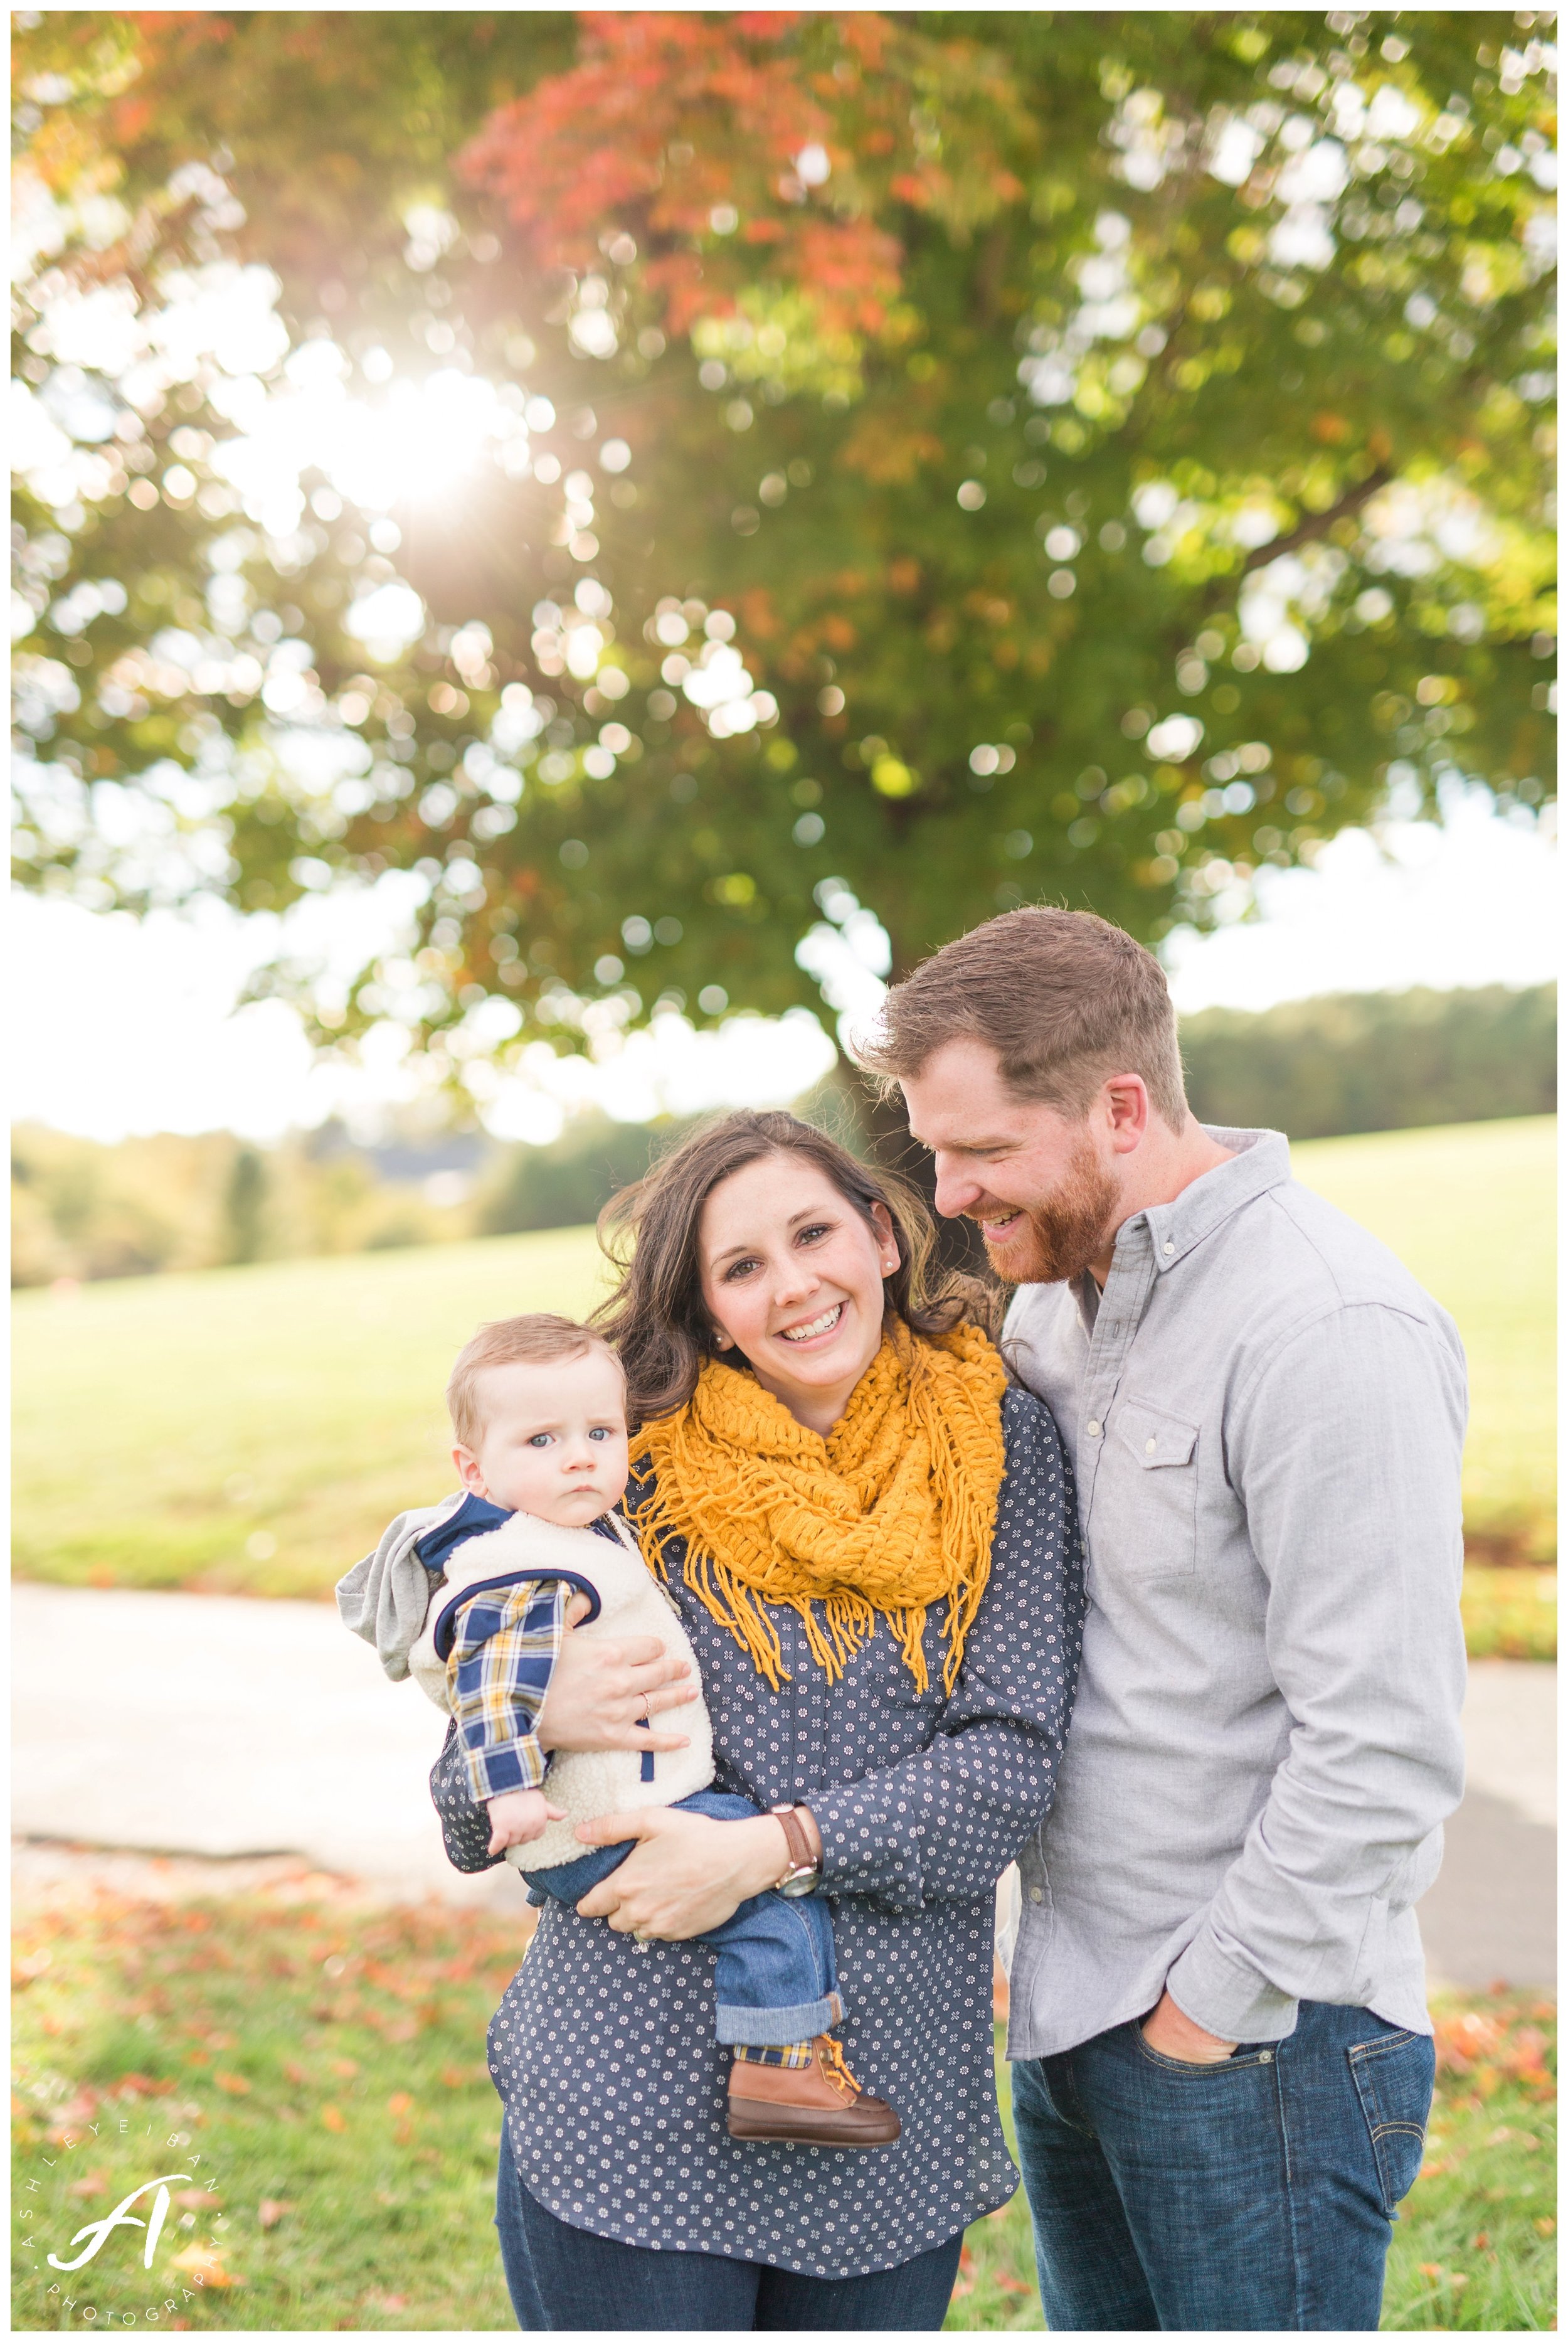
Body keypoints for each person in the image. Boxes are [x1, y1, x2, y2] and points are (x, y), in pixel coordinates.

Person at [864, 903, 1469, 2334]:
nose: (945, 1193)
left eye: (981, 1150)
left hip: (1255, 2044)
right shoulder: (1051, 1312)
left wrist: (1206, 2013)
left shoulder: (1325, 1325)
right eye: (933, 1149)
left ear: (1119, 1107)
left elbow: (1379, 1742)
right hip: (1073, 2017)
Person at [428, 1110, 1085, 2331]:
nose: (791, 1285)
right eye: (740, 1266)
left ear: (881, 1234)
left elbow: (1009, 1762)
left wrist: (770, 1845)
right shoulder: (621, 1476)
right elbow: (469, 1804)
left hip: (884, 2098)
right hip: (626, 2095)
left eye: (812, 1233)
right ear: (708, 1306)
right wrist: (534, 1710)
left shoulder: (1001, 1442)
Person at [336, 1310, 898, 2147]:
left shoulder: (578, 1533)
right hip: (592, 1824)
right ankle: (780, 2074)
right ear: (474, 1470)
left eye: (600, 1431)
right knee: (774, 1905)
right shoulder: (526, 1567)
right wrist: (512, 1785)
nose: (578, 1455)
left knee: (763, 1881)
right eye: (541, 1440)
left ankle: (785, 2067)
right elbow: (495, 1686)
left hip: (615, 1805)